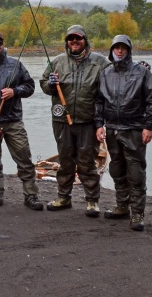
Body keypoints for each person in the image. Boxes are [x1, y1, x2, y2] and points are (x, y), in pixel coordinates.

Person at [0, 30, 44, 211]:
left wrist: (15, 91)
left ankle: (30, 195)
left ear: (3, 45)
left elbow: (30, 86)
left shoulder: (16, 65)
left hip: (13, 120)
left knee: (24, 157)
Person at [40, 25, 109, 217]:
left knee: (87, 161)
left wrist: (141, 68)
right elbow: (44, 84)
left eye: (78, 38)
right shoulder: (57, 62)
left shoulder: (101, 63)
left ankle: (92, 201)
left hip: (88, 121)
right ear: (67, 42)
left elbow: (116, 80)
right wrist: (51, 85)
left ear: (85, 40)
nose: (74, 42)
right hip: (61, 120)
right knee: (65, 161)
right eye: (70, 39)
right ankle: (64, 197)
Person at [95, 35, 152, 231]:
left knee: (136, 172)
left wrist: (148, 126)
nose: (120, 51)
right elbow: (99, 101)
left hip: (134, 129)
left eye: (123, 47)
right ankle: (122, 206)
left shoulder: (142, 72)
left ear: (129, 49)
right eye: (117, 48)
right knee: (117, 169)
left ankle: (137, 213)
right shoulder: (105, 73)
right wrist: (99, 124)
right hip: (112, 129)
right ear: (112, 50)